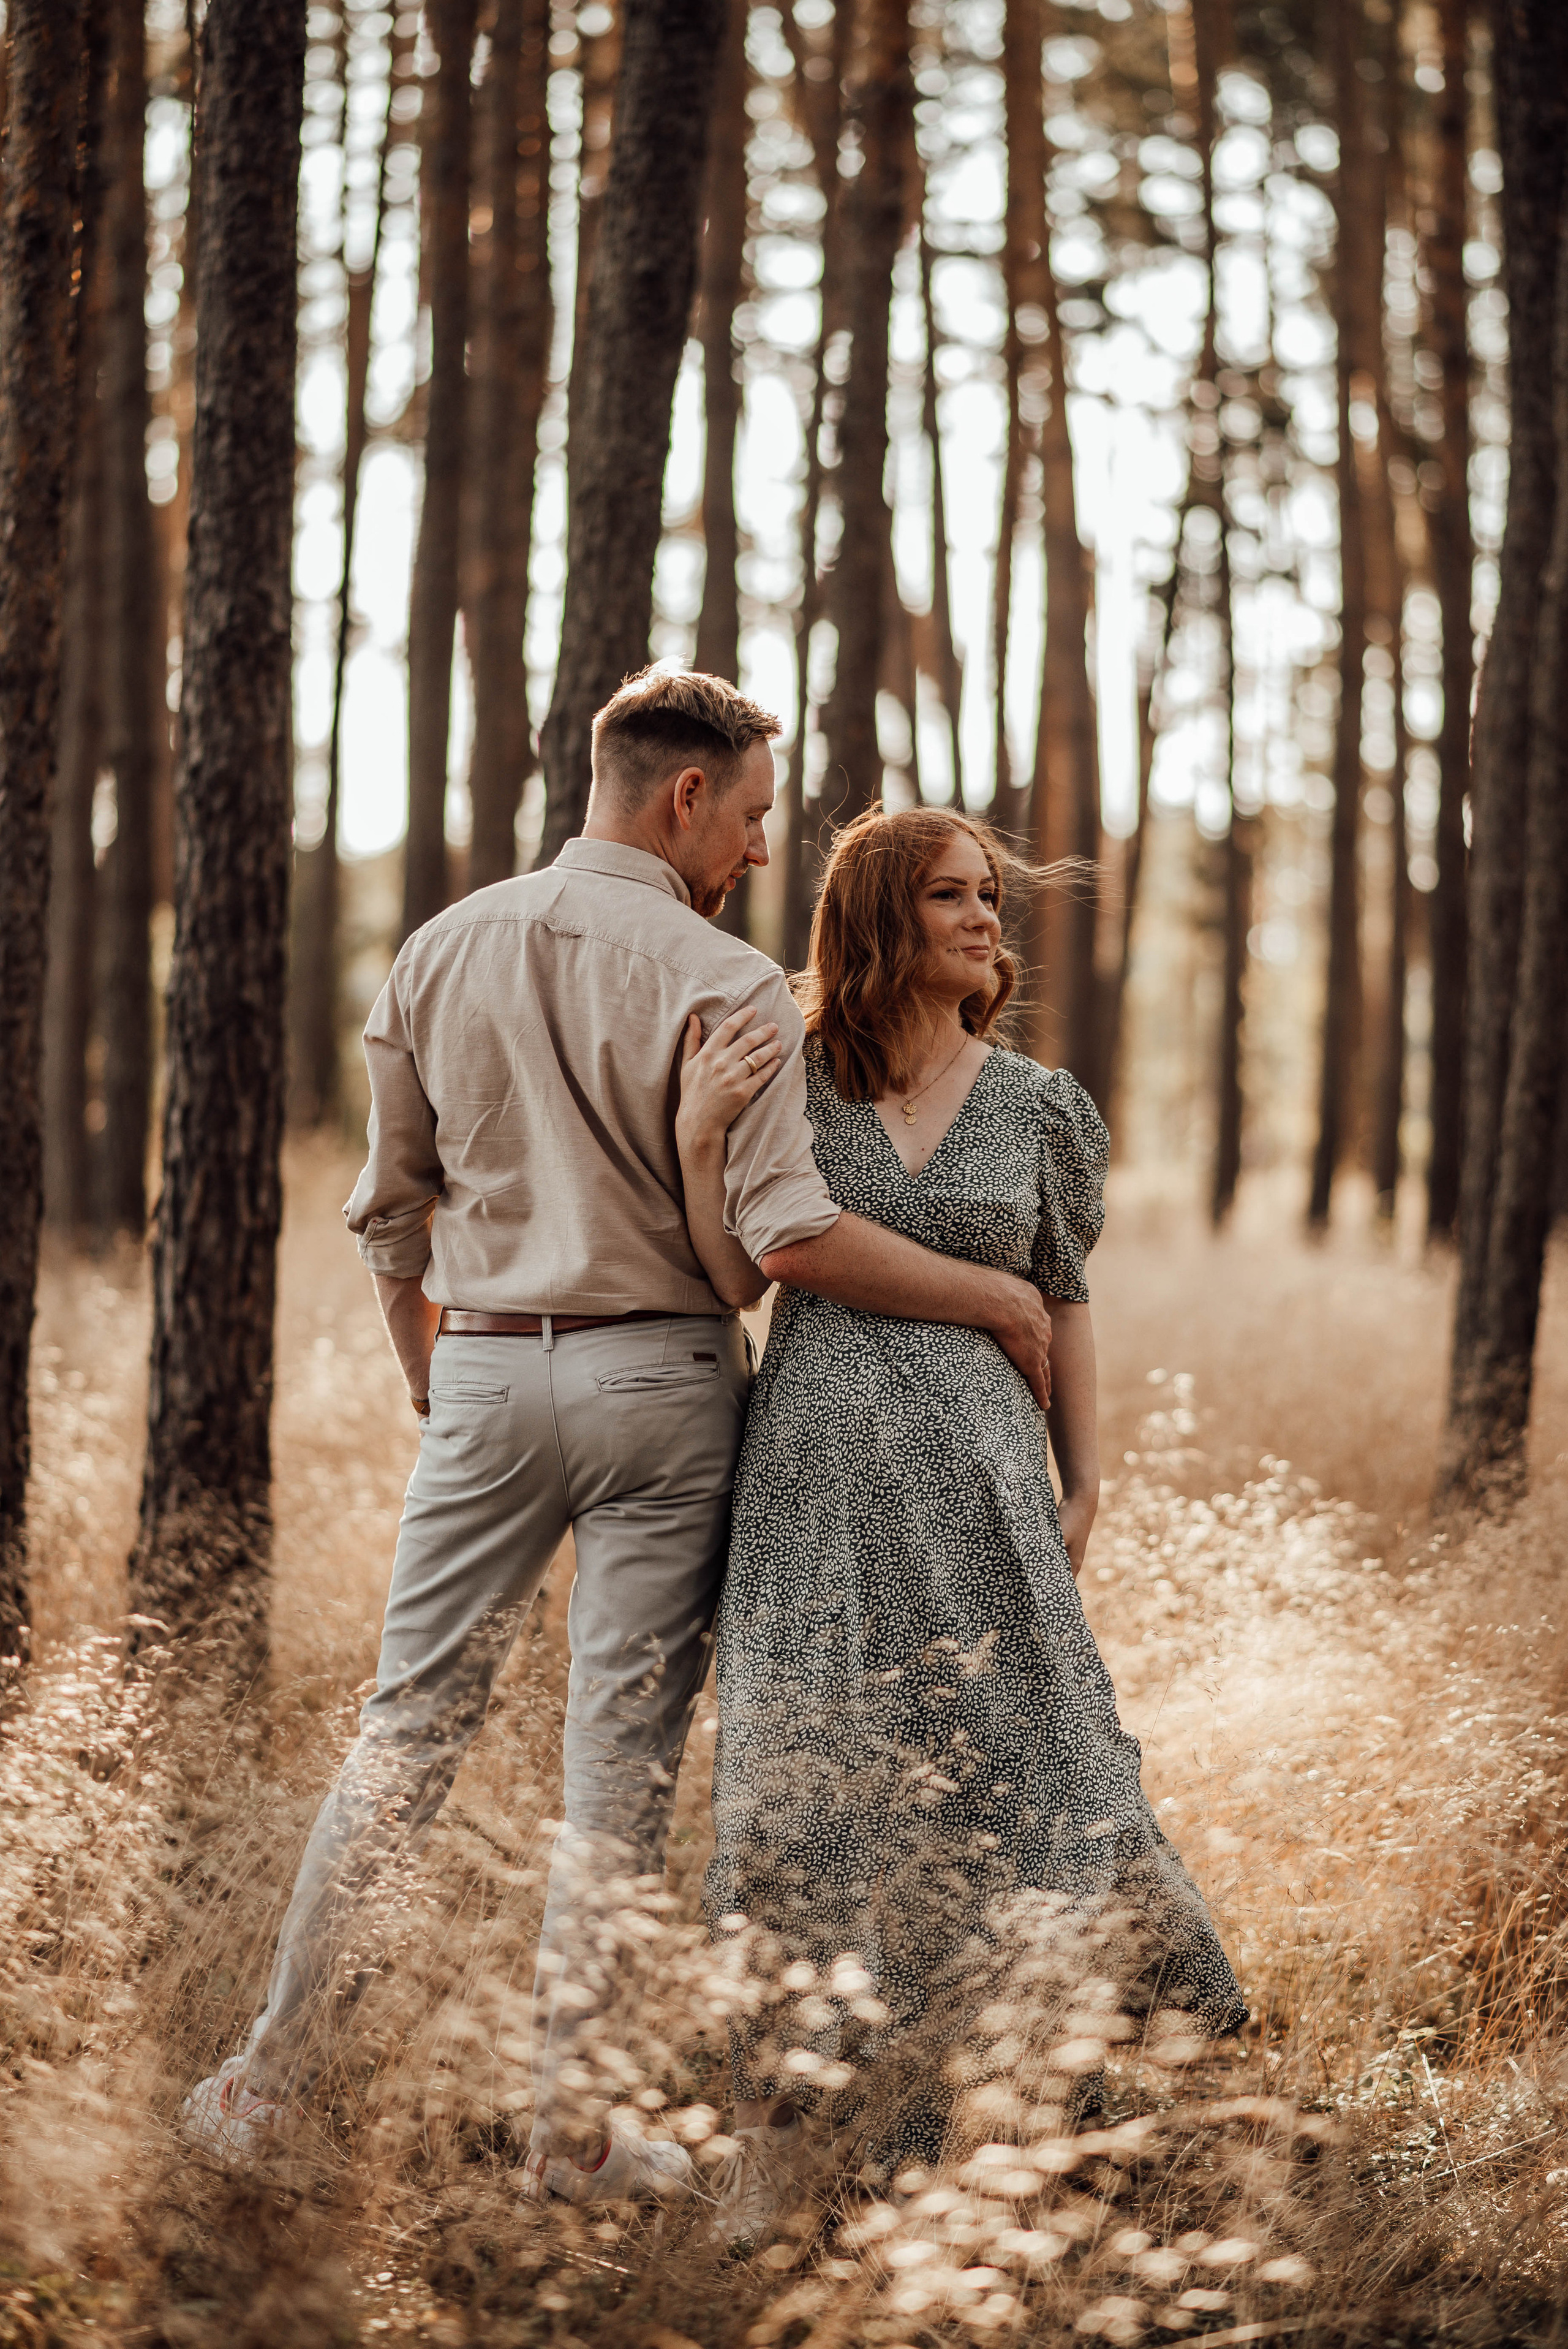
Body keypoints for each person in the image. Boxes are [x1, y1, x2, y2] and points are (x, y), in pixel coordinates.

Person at [180, 671, 1057, 2204]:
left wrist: (437, 1381)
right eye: (755, 818)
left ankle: (267, 2085)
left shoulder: (437, 953)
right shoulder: (724, 983)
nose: (759, 854)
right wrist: (1003, 1297)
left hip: (485, 1377)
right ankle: (568, 2138)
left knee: (404, 1736)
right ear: (684, 799)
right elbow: (784, 1232)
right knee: (616, 1777)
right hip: (664, 1389)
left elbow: (390, 1213)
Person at [674, 805, 1247, 2243]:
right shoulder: (789, 1078)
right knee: (804, 1803)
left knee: (1047, 1766)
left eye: (989, 895)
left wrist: (1087, 1476)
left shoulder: (1038, 1104)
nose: (987, 918)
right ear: (878, 918)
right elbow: (736, 1276)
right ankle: (779, 2156)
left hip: (988, 1487)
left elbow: (1062, 1293)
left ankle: (1140, 2098)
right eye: (950, 896)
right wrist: (697, 1142)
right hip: (812, 1494)